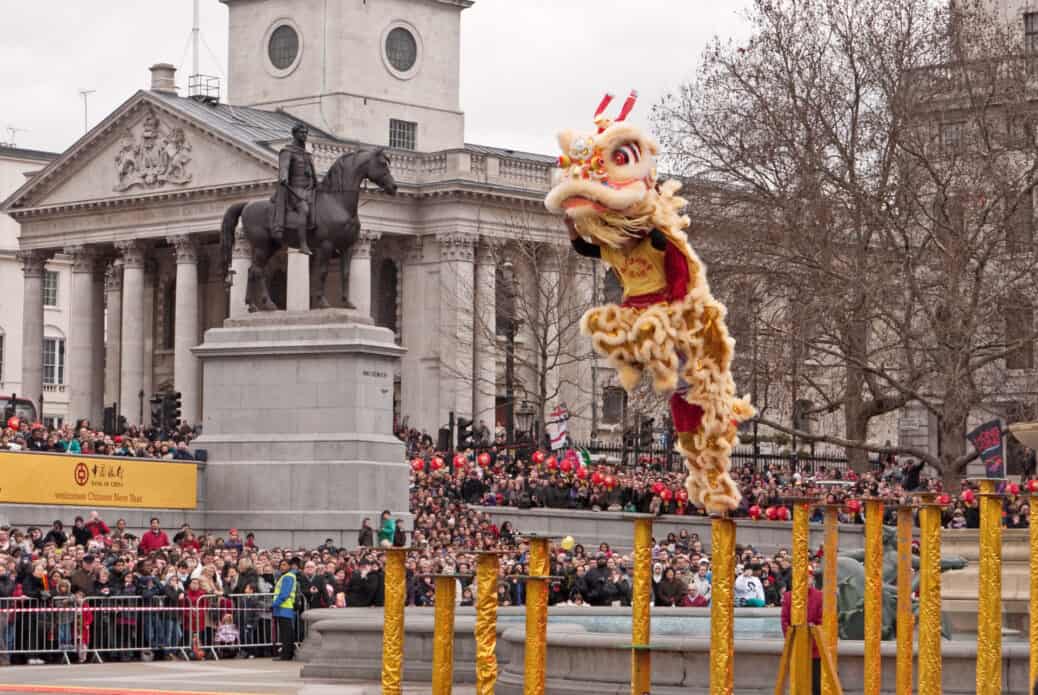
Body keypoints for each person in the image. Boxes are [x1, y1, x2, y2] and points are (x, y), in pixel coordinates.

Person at [271, 123, 317, 255]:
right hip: (293, 190)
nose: (304, 135)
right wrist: (284, 177)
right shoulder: (287, 151)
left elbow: (313, 174)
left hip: (308, 189)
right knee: (304, 209)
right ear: (294, 134)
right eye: (302, 133)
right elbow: (284, 167)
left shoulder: (307, 154)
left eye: (306, 133)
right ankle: (302, 244)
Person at [780, 564, 824, 695]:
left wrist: (812, 637)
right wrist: (792, 638)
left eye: (808, 577)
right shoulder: (789, 597)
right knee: (797, 683)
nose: (806, 580)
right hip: (796, 647)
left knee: (816, 684)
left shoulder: (819, 596)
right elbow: (784, 619)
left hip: (815, 649)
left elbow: (822, 620)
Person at [272, 559, 298, 661]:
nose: (282, 567)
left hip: (284, 607)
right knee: (287, 632)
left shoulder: (288, 576)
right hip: (284, 607)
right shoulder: (287, 576)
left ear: (289, 566)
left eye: (284, 565)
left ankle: (286, 655)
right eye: (281, 565)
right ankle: (287, 654)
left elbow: (284, 594)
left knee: (286, 633)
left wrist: (274, 604)